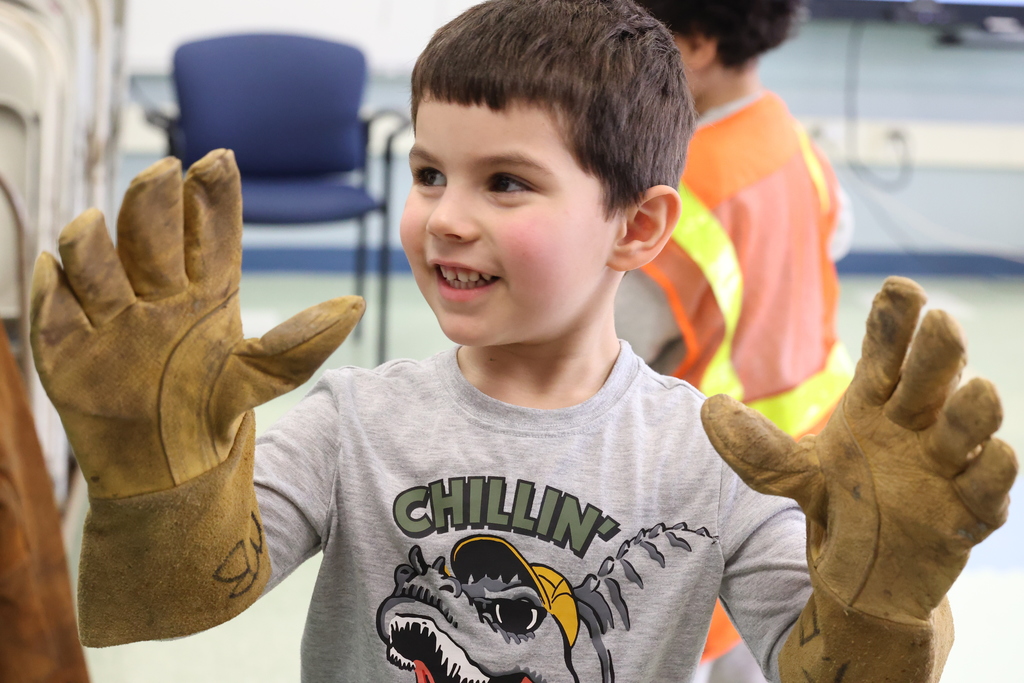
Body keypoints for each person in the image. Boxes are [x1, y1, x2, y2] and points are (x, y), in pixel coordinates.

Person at [29, 1, 1015, 682]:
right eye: (427, 172)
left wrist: (881, 602)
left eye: (505, 182)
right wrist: (161, 482)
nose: (445, 216)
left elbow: (825, 667)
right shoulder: (352, 421)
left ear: (636, 227)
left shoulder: (712, 464)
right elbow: (172, 597)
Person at [617, 4, 855, 677]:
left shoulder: (685, 185)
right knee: (762, 643)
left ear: (691, 46)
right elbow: (836, 235)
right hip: (808, 462)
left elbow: (609, 342)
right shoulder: (784, 132)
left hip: (706, 475)